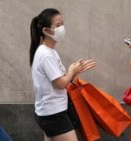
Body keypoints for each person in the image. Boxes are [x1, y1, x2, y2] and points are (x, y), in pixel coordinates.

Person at [30, 8, 96, 141]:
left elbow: (61, 81)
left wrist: (75, 71)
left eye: (62, 24)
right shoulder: (46, 54)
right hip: (53, 114)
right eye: (58, 25)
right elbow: (60, 84)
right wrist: (72, 71)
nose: (62, 28)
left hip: (52, 112)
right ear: (46, 31)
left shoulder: (49, 52)